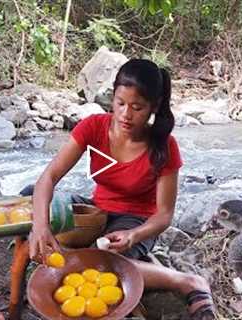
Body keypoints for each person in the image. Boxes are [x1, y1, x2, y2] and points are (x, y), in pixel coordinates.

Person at [25, 59, 215, 319]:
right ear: (112, 98)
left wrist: (134, 235)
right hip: (96, 210)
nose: (126, 114)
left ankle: (187, 282)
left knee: (103, 259)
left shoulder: (164, 146)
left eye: (137, 107)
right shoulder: (94, 127)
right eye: (120, 103)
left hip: (136, 220)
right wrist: (41, 226)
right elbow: (49, 177)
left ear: (154, 107)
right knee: (29, 199)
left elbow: (164, 215)